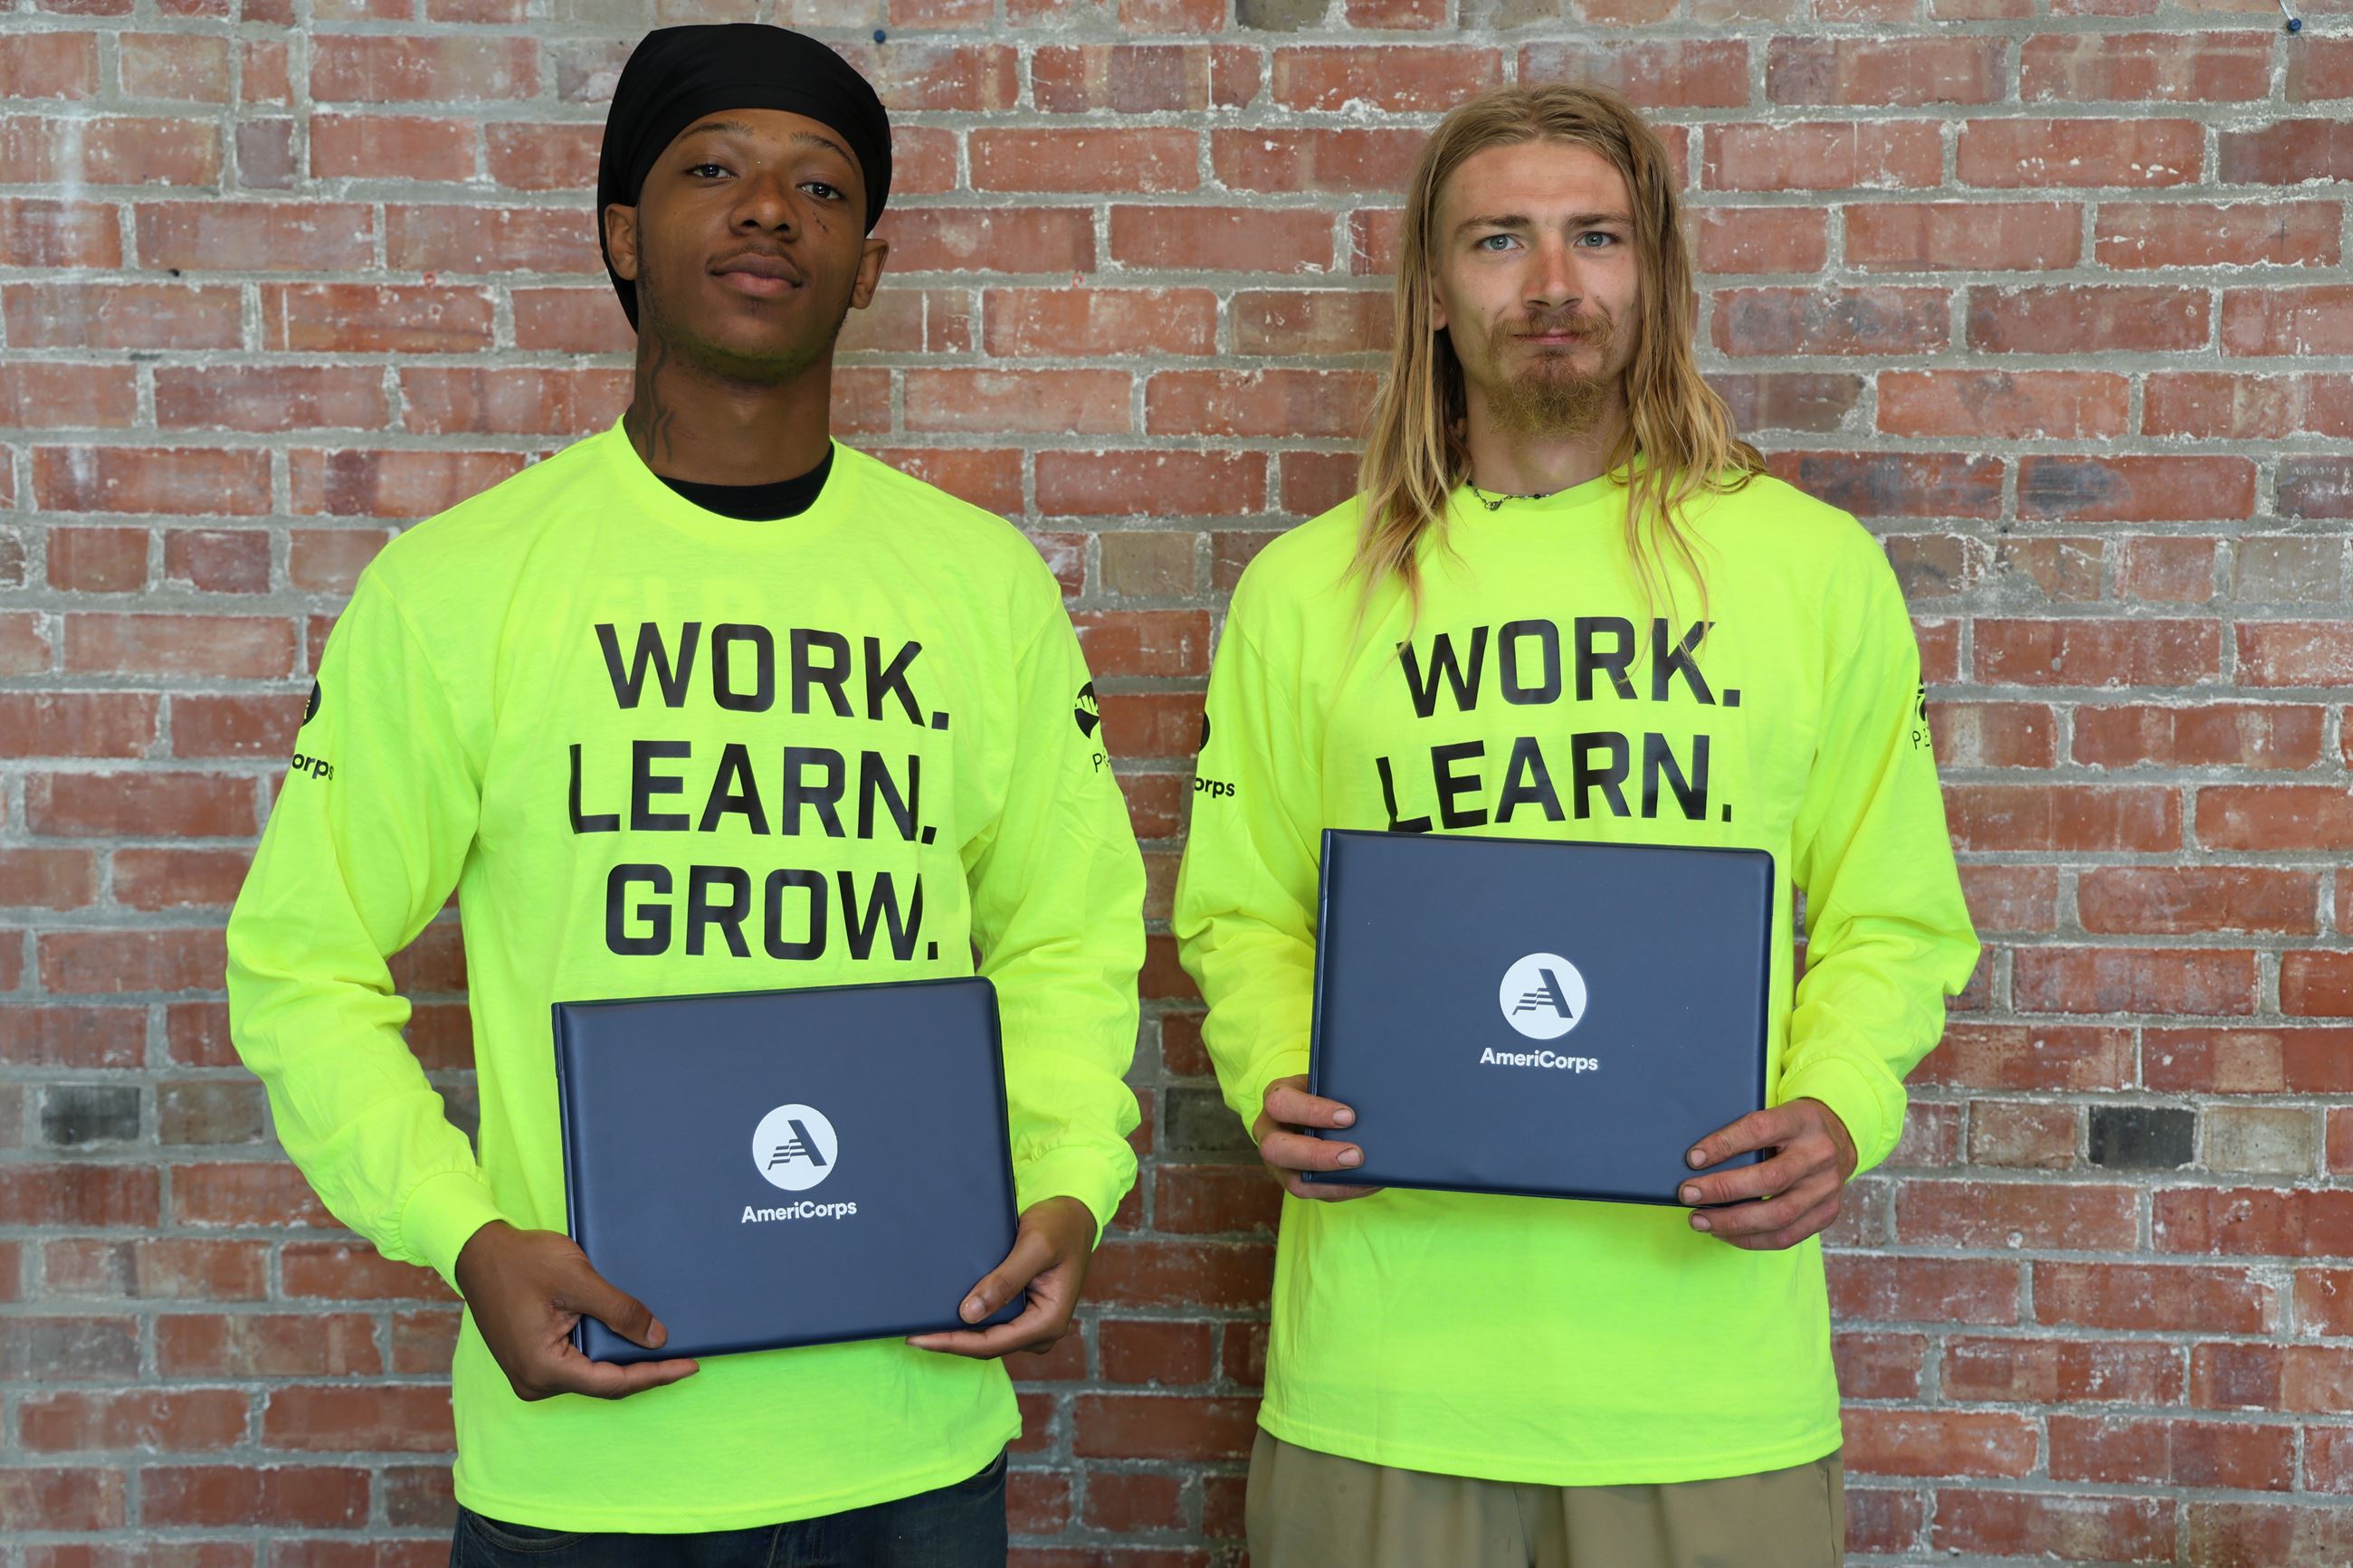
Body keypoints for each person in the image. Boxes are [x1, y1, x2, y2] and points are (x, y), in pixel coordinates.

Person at [225, 24, 1146, 1564]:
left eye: (822, 186)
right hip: (596, 1455)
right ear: (619, 236)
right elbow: (299, 962)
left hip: (907, 1437)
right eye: (712, 169)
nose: (769, 209)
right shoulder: (458, 588)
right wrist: (466, 1240)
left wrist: (1069, 1180)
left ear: (867, 263)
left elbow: (1068, 932)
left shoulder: (979, 588)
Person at [1172, 83, 1979, 1568]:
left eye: (1595, 237)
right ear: (1432, 291)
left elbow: (1892, 912)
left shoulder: (1812, 573)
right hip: (1383, 1381)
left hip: (1705, 1388)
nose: (1553, 284)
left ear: (1655, 275)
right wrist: (1273, 1059)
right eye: (1500, 241)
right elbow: (1241, 909)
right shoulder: (1303, 591)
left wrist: (1841, 1103)